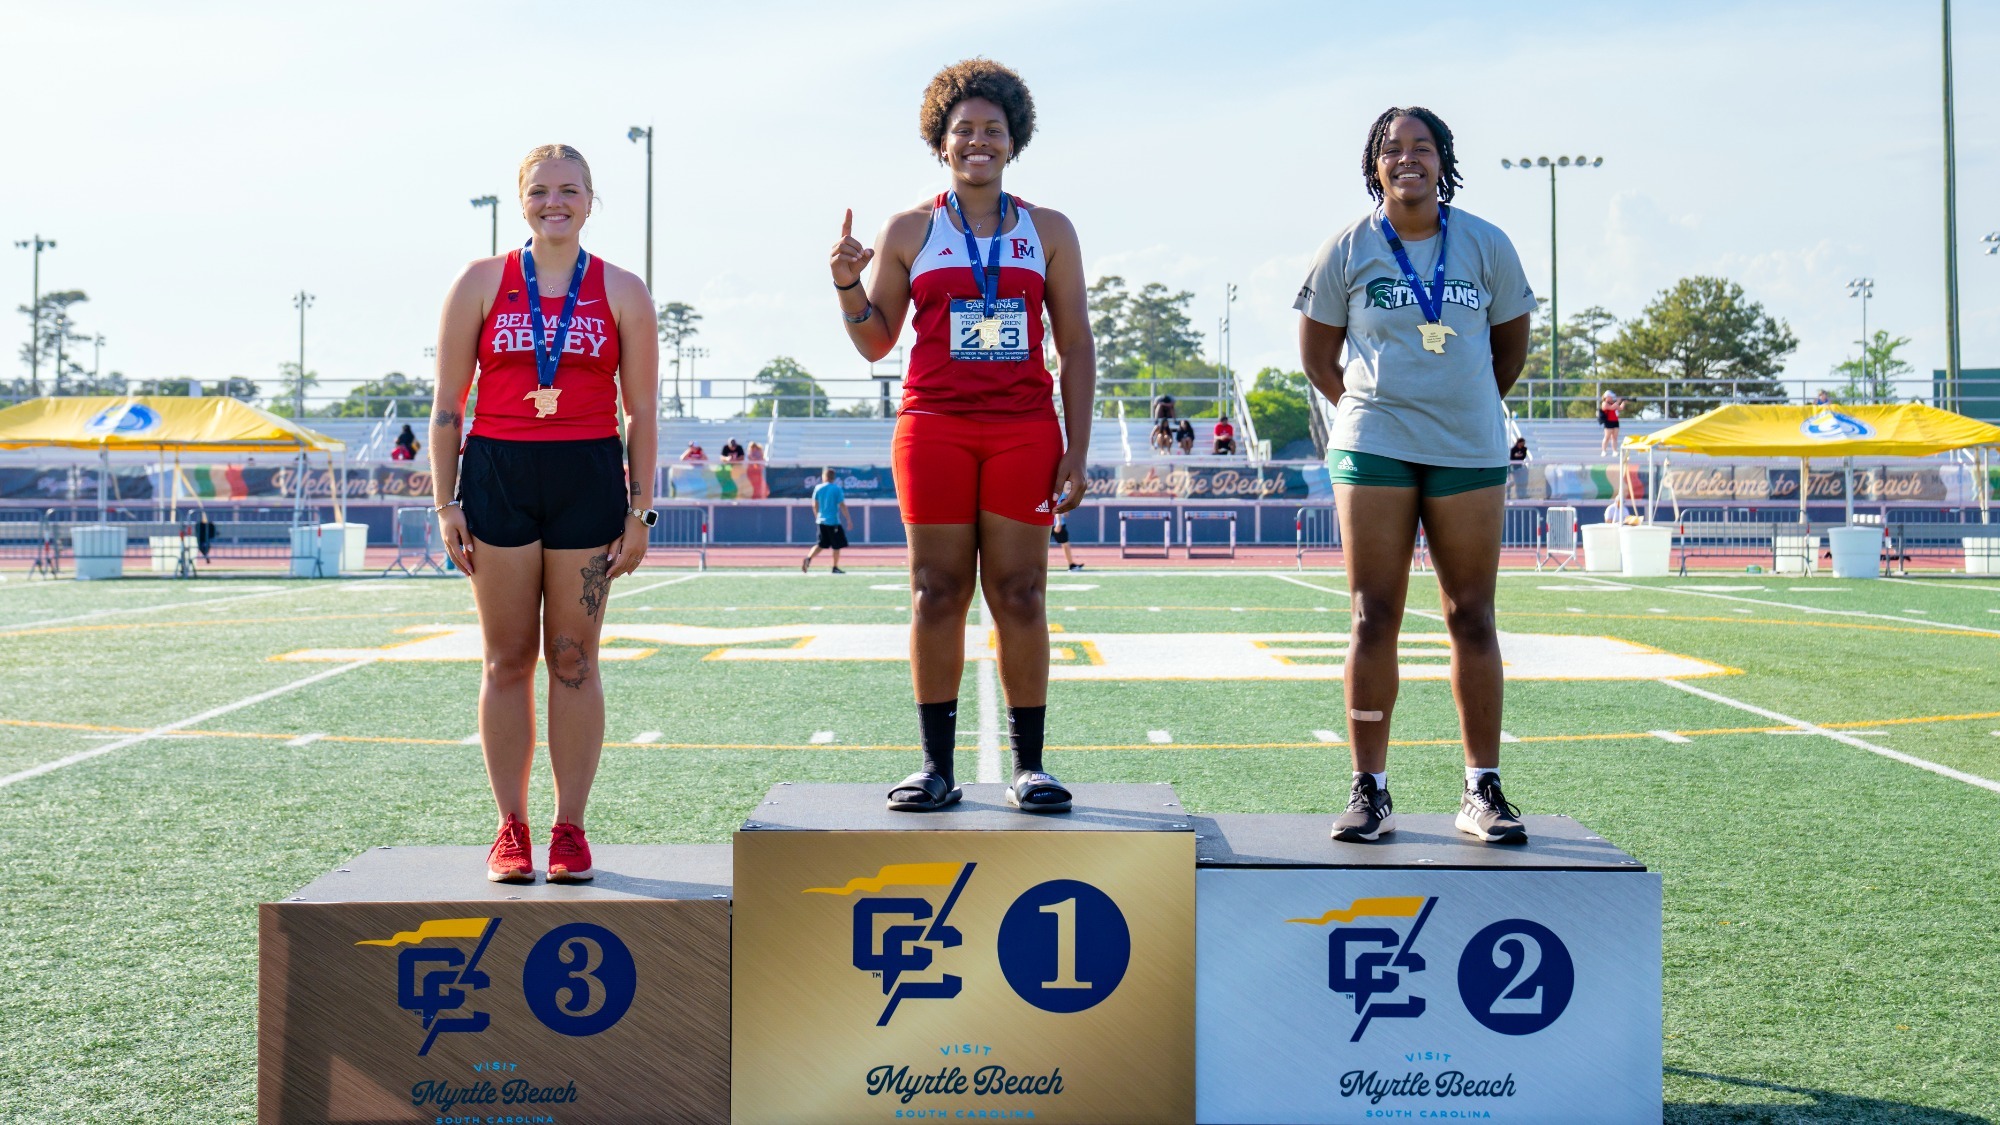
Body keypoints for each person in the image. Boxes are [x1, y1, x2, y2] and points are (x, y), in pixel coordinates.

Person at [829, 58, 1093, 814]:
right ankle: (935, 766)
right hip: (935, 427)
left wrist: (1076, 446)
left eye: (993, 130)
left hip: (1022, 430)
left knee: (1021, 592)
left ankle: (1031, 765)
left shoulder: (1049, 229)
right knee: (935, 591)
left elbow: (1075, 343)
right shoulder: (911, 228)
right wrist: (848, 282)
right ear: (940, 144)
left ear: (1014, 142)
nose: (978, 142)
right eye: (963, 131)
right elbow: (875, 342)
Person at [1295, 106, 1535, 846]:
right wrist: (1372, 412)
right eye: (1392, 150)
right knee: (1374, 614)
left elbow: (1510, 349)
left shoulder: (1488, 244)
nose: (1408, 160)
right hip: (1375, 446)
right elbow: (1316, 355)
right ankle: (1370, 789)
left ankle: (1481, 789)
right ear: (1374, 165)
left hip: (1467, 447)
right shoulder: (1348, 246)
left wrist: (1460, 407)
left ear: (1443, 162)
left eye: (1421, 149)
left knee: (1473, 614)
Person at [429, 143, 660, 883]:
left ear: (591, 200)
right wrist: (445, 503)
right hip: (497, 472)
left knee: (573, 657)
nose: (553, 201)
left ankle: (569, 828)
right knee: (505, 660)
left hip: (587, 476)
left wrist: (641, 510)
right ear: (519, 200)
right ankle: (510, 827)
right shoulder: (479, 282)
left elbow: (643, 411)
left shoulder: (622, 289)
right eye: (539, 190)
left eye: (569, 189)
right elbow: (445, 408)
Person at [801, 467, 849, 574]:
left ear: (824, 477)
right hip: (833, 521)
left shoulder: (818, 488)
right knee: (837, 545)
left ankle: (808, 558)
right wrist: (848, 519)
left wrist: (817, 516)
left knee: (821, 544)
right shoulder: (837, 489)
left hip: (821, 521)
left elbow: (814, 504)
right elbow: (842, 505)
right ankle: (835, 566)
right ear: (833, 478)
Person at [1597, 390, 1624, 454]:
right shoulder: (1604, 403)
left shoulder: (1613, 403)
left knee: (1614, 437)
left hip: (1615, 422)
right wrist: (1617, 401)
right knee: (1607, 437)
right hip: (1608, 422)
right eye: (1611, 397)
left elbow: (1620, 408)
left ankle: (1615, 451)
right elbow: (1611, 408)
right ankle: (1604, 451)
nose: (1612, 398)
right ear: (1607, 397)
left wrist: (1623, 402)